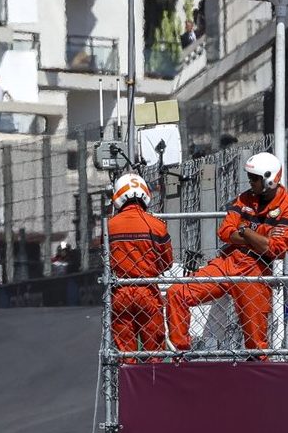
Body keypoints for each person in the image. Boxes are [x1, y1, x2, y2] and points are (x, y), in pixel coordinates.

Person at [167, 151, 288, 352]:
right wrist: (259, 234)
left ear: (269, 179)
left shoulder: (285, 206)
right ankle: (181, 352)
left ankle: (256, 369)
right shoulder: (244, 199)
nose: (250, 182)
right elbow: (224, 231)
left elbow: (275, 249)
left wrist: (244, 230)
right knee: (176, 293)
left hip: (255, 268)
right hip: (228, 260)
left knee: (255, 340)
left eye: (254, 179)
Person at [106, 173, 172, 355]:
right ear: (145, 194)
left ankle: (127, 382)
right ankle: (153, 381)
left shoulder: (109, 226)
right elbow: (167, 263)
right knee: (155, 351)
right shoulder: (157, 225)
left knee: (125, 352)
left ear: (118, 196)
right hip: (148, 290)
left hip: (120, 291)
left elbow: (106, 262)